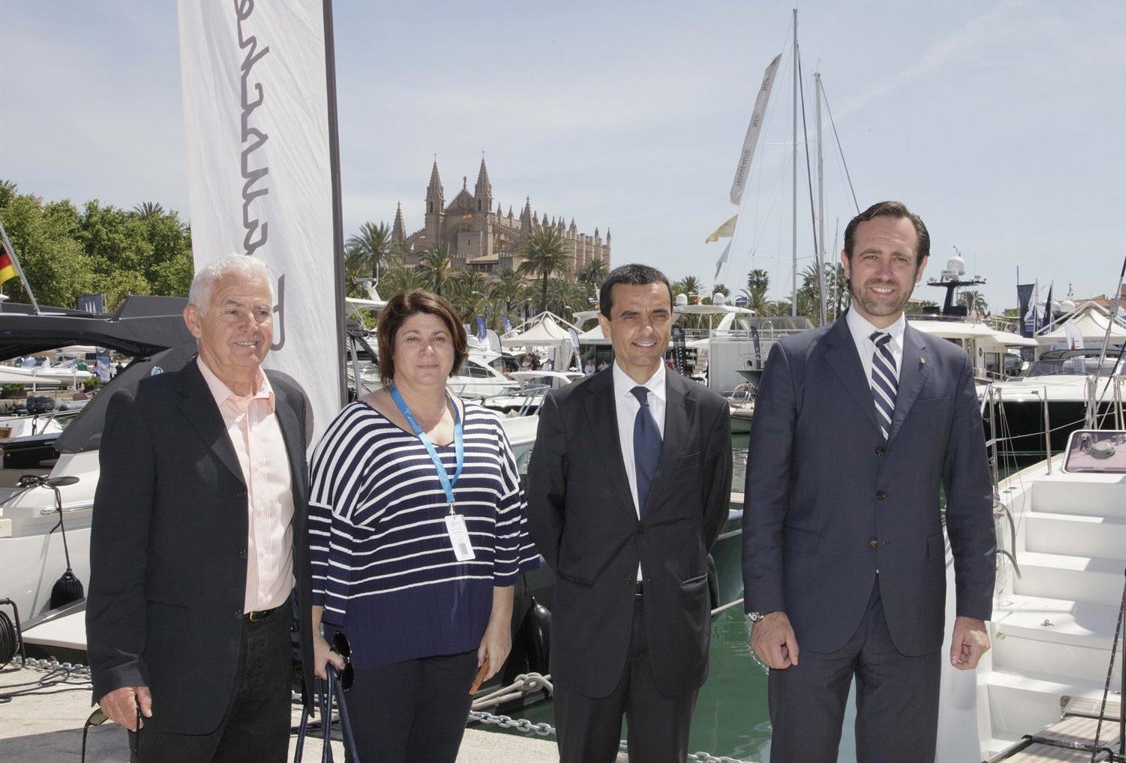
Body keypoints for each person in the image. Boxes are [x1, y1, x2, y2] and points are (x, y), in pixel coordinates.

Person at [742, 200, 996, 762]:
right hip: (805, 614)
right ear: (846, 262)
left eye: (899, 259)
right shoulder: (795, 360)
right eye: (871, 256)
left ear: (920, 268)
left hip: (912, 614)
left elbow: (971, 500)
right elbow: (763, 498)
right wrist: (765, 610)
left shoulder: (951, 368)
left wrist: (974, 610)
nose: (884, 271)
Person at [87, 254, 314, 762]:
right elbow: (116, 552)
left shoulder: (290, 403)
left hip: (272, 660)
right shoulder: (144, 409)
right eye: (233, 310)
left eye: (262, 311)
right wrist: (116, 668)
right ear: (195, 320)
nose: (251, 325)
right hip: (177, 668)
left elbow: (293, 533)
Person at [308, 289, 540, 762]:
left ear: (457, 347)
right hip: (376, 647)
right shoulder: (355, 430)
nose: (427, 349)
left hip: (460, 643)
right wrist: (311, 634)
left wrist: (500, 626)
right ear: (391, 350)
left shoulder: (488, 429)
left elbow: (506, 537)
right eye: (412, 338)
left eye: (439, 337)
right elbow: (320, 538)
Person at [527, 264, 733, 763]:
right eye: (630, 316)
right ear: (605, 324)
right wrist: (588, 573)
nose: (647, 328)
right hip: (589, 623)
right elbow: (544, 510)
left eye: (658, 315)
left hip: (673, 626)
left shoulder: (707, 410)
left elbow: (710, 513)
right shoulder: (566, 408)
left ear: (672, 320)